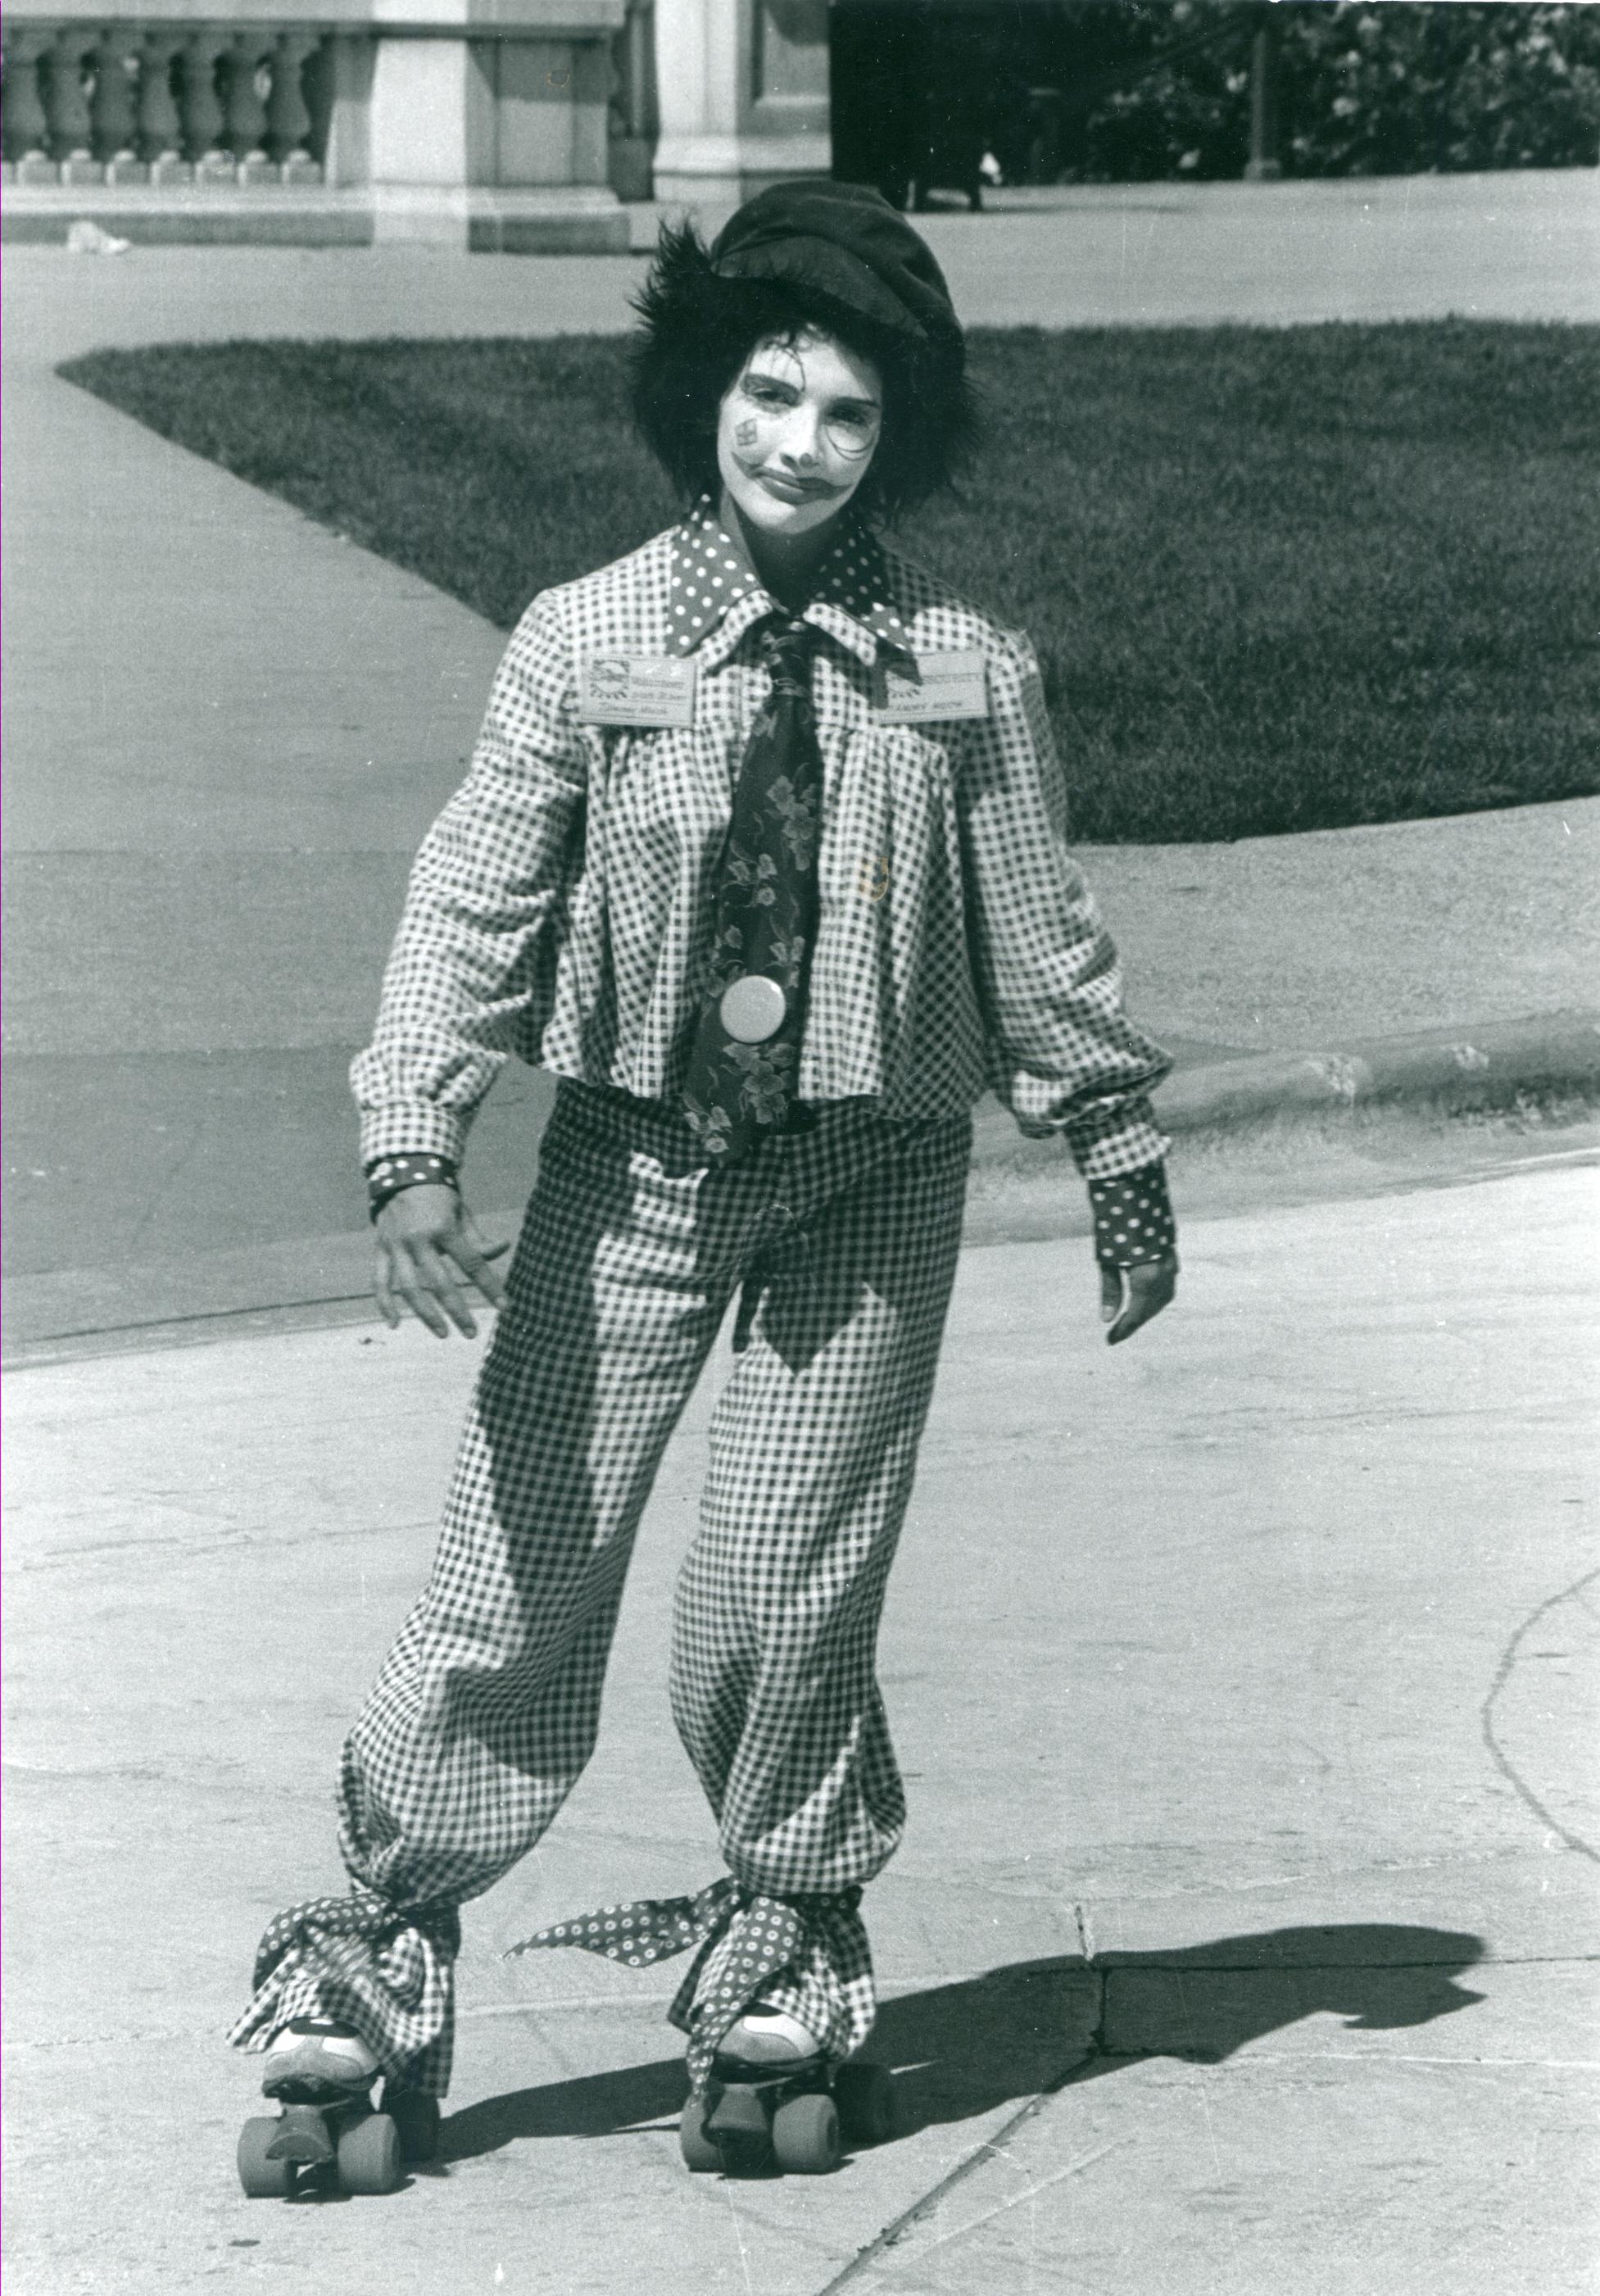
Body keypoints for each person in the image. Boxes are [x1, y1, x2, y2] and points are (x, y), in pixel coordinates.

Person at [229, 179, 1178, 2139]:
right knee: (521, 1559)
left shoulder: (957, 664)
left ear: (897, 434)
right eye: (767, 393)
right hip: (634, 1166)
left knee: (778, 1580)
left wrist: (1108, 1132)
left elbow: (1032, 918)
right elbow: (478, 895)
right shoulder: (585, 640)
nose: (799, 445)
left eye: (846, 413)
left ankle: (786, 1931)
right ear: (701, 393)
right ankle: (383, 1937)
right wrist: (416, 1141)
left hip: (874, 1172)